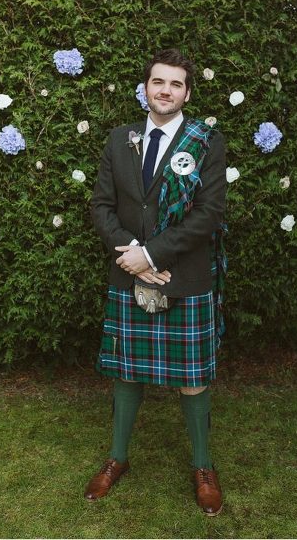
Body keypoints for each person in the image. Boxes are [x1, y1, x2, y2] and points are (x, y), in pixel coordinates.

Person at [86, 48, 227, 516]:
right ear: (145, 87)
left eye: (176, 84)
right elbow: (102, 205)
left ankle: (203, 466)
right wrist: (133, 256)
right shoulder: (119, 138)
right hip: (128, 272)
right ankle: (117, 458)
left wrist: (152, 254)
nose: (165, 91)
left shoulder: (205, 141)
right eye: (158, 82)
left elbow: (209, 215)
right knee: (127, 372)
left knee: (192, 378)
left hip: (183, 276)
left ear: (187, 92)